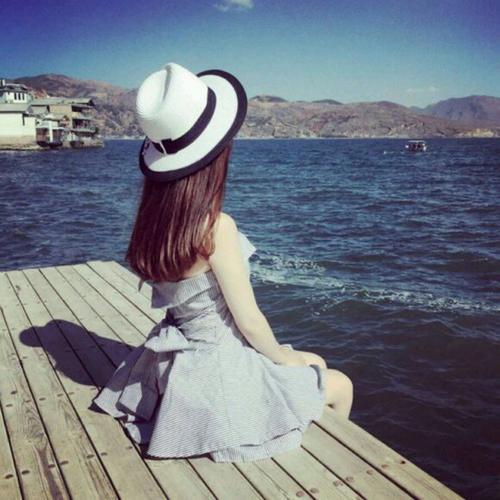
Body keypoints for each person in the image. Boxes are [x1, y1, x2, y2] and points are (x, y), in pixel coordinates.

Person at [91, 62, 353, 462]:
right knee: (340, 383)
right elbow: (249, 322)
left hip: (176, 359)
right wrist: (284, 358)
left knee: (314, 362)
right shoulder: (215, 228)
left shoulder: (152, 223)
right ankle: (335, 465)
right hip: (218, 365)